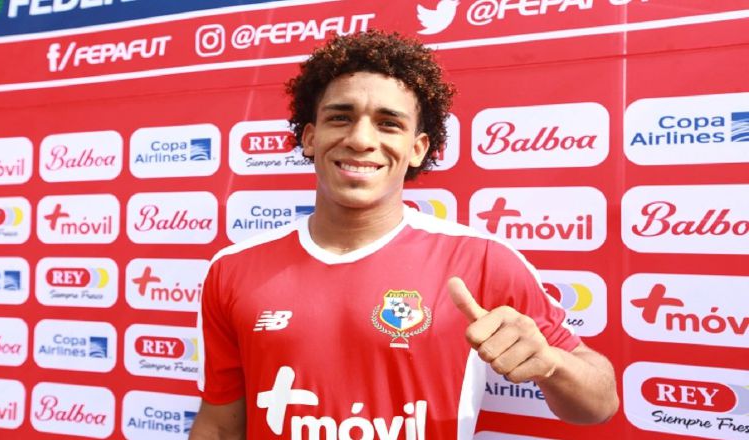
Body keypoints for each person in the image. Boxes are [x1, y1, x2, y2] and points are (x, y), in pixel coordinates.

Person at [190, 30, 618, 439]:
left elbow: (600, 405)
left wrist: (551, 366)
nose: (360, 139)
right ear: (310, 136)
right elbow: (221, 426)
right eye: (341, 117)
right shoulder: (233, 268)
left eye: (388, 123)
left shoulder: (479, 259)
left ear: (418, 147)